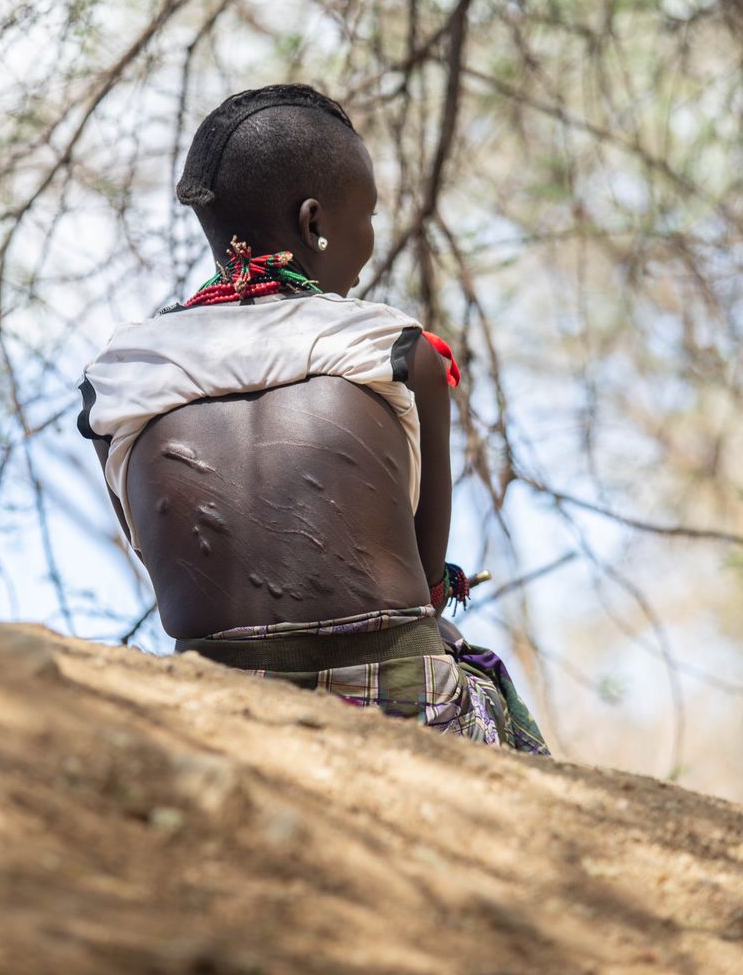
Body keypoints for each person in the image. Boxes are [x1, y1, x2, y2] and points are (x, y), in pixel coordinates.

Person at [78, 83, 548, 754]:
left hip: (217, 711)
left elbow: (163, 558)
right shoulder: (400, 352)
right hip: (402, 702)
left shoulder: (117, 378)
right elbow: (424, 587)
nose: (371, 239)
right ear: (315, 223)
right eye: (369, 215)